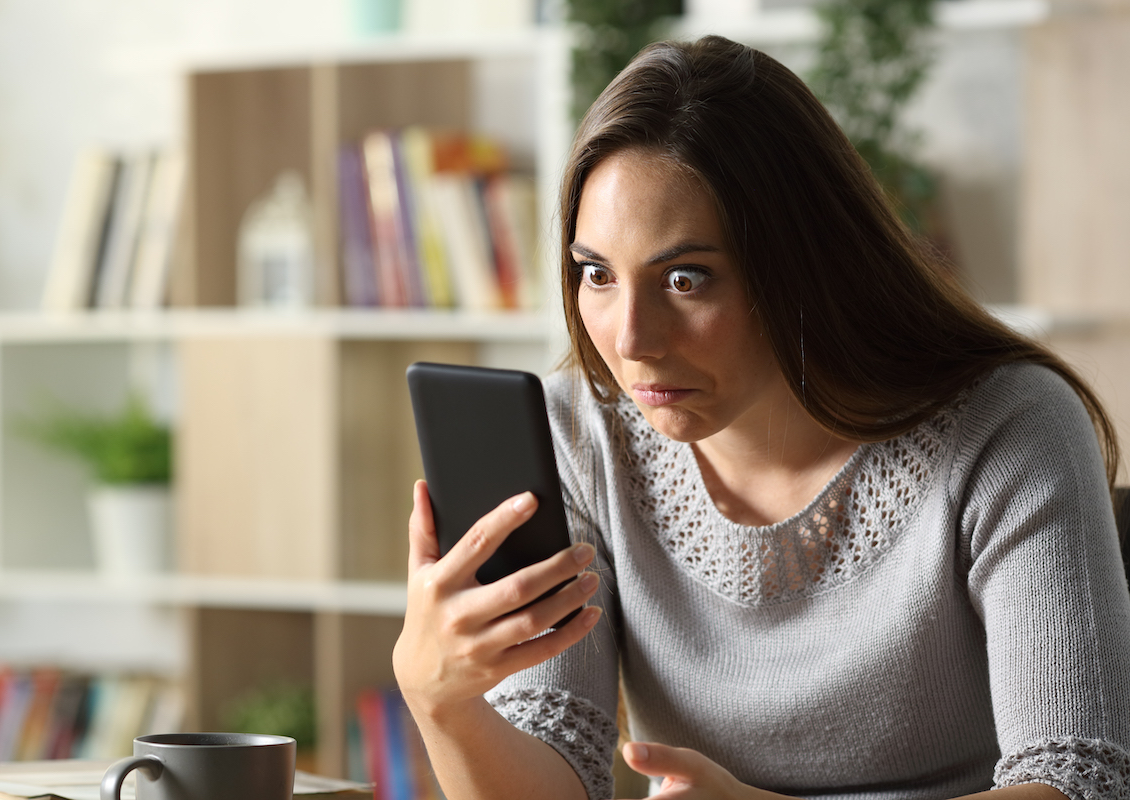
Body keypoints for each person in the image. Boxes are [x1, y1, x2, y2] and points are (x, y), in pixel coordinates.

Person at [392, 35, 1130, 800]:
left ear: (806, 266)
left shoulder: (1011, 429)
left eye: (686, 279)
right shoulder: (580, 438)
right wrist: (440, 702)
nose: (631, 340)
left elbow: (1077, 784)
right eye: (597, 274)